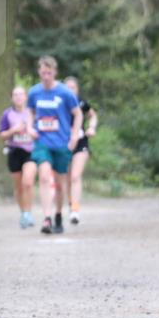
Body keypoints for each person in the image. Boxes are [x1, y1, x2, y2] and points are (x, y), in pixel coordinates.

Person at [28, 57, 82, 234]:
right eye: (43, 73)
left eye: (49, 73)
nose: (46, 76)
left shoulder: (65, 93)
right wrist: (30, 127)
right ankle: (47, 218)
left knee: (59, 184)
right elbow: (30, 111)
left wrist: (74, 136)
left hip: (61, 143)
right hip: (42, 141)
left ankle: (58, 214)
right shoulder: (34, 92)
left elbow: (78, 114)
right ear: (39, 72)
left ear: (55, 73)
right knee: (44, 177)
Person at [0, 86, 38, 228]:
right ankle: (23, 213)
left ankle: (29, 213)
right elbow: (1, 135)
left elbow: (40, 133)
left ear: (26, 97)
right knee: (19, 186)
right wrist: (13, 131)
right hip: (14, 151)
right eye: (15, 95)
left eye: (21, 95)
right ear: (12, 98)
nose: (18, 97)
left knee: (27, 182)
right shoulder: (7, 114)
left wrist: (30, 131)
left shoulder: (32, 113)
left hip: (31, 151)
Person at [63, 76, 98, 224]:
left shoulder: (82, 103)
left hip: (81, 142)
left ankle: (75, 210)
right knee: (66, 178)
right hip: (63, 143)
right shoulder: (59, 103)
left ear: (77, 90)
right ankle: (71, 204)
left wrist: (91, 127)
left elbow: (93, 115)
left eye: (73, 87)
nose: (70, 90)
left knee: (75, 176)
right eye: (67, 87)